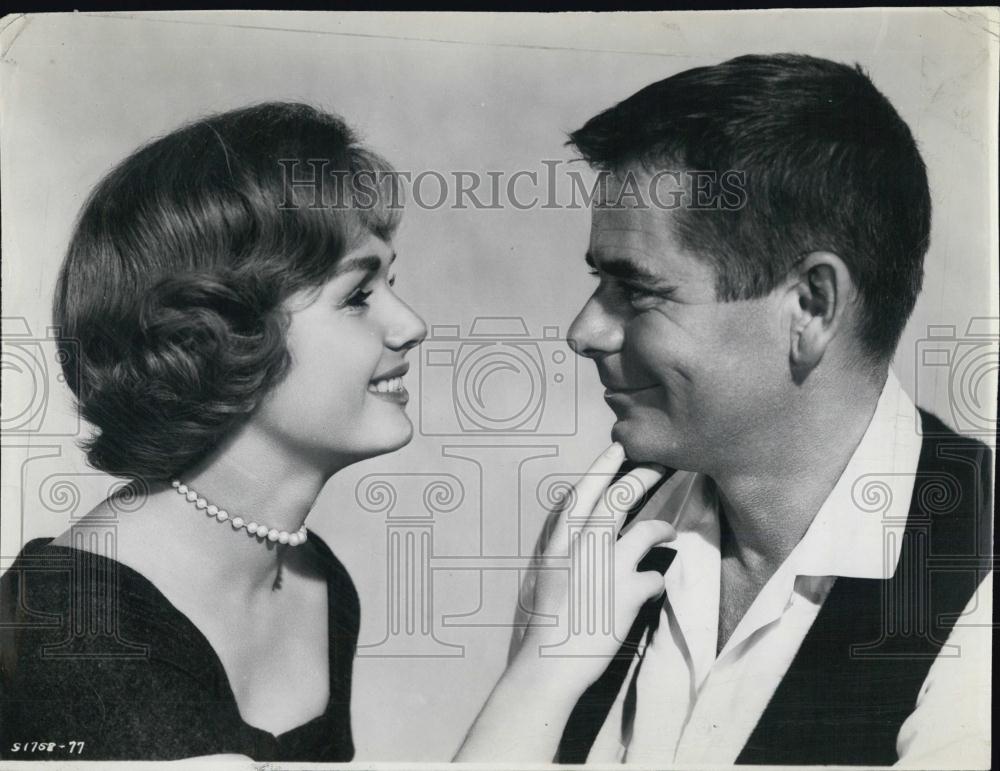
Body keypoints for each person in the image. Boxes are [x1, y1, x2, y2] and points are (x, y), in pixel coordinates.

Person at [0, 101, 675, 763]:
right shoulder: (75, 632)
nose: (411, 323)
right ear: (213, 334)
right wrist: (549, 660)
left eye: (392, 283)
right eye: (357, 296)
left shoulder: (315, 578)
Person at [504, 54, 992, 767]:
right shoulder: (593, 532)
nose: (584, 331)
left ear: (811, 305)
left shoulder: (980, 563)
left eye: (636, 290)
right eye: (596, 281)